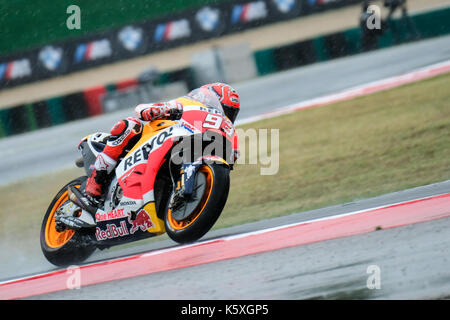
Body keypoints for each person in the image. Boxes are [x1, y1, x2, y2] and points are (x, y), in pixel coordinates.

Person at [85, 82, 241, 202]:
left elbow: (231, 158)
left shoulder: (227, 129)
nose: (226, 115)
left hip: (189, 148)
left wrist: (231, 155)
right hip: (152, 138)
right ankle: (96, 182)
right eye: (225, 109)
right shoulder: (187, 104)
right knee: (129, 126)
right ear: (208, 98)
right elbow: (142, 109)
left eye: (231, 113)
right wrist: (156, 110)